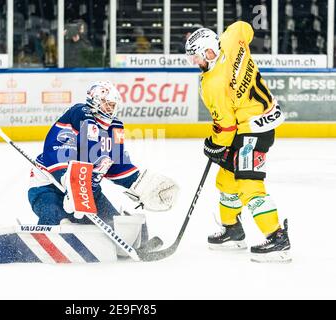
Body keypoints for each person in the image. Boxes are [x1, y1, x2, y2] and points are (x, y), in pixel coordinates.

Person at [185, 22, 291, 263]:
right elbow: (245, 27)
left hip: (250, 130)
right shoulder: (231, 37)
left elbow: (226, 126)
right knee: (226, 179)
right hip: (260, 118)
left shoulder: (212, 84)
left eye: (197, 57)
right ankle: (232, 230)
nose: (196, 63)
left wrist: (214, 144)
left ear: (210, 52)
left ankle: (276, 237)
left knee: (247, 182)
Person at [28, 80, 178, 227]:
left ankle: (127, 247)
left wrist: (141, 183)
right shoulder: (79, 114)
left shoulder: (115, 128)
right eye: (107, 104)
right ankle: (40, 246)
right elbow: (57, 149)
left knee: (114, 224)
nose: (111, 109)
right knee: (57, 220)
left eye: (113, 106)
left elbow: (115, 164)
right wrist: (70, 180)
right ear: (94, 101)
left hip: (87, 192)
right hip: (48, 185)